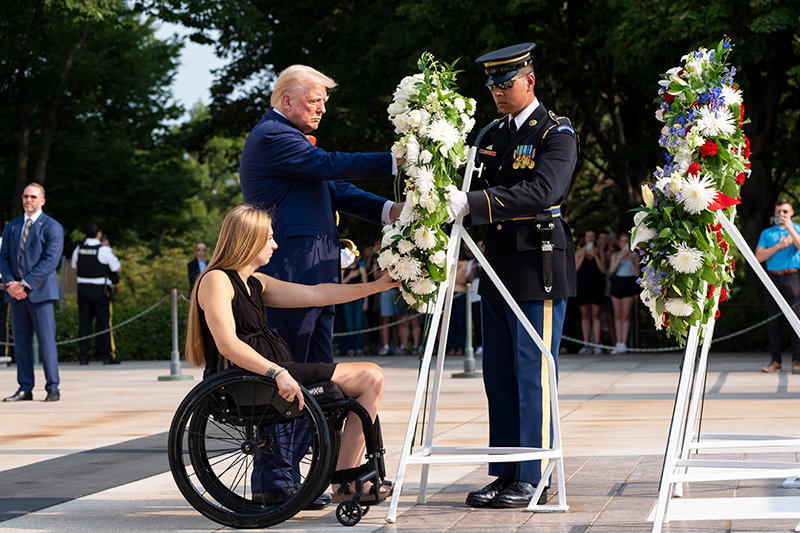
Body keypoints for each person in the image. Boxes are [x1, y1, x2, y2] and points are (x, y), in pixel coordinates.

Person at [184, 204, 397, 503]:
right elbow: (227, 344)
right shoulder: (216, 279)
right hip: (249, 380)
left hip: (271, 372)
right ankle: (345, 483)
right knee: (371, 376)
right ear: (249, 239)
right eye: (269, 237)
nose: (275, 244)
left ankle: (346, 480)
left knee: (370, 379)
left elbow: (318, 294)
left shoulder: (255, 282)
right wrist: (277, 372)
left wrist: (376, 287)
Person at [447, 43, 579, 508]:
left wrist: (477, 204)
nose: (498, 92)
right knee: (499, 374)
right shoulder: (490, 134)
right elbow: (468, 187)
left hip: (536, 263)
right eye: (492, 85)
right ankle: (507, 474)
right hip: (497, 263)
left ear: (530, 80)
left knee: (532, 371)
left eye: (506, 83)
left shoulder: (555, 133)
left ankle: (535, 476)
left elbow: (545, 189)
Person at [239, 64, 401, 367]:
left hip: (313, 269)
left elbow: (336, 190)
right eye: (315, 100)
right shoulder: (272, 136)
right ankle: (293, 418)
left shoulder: (290, 138)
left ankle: (315, 416)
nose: (323, 109)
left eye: (324, 101)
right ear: (287, 101)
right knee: (294, 363)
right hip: (292, 268)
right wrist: (395, 160)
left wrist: (390, 210)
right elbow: (329, 165)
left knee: (319, 366)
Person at [0, 183, 64, 402]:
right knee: (21, 344)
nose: (29, 200)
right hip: (15, 295)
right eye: (26, 196)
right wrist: (10, 283)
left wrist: (24, 284)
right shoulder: (12, 227)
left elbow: (50, 261)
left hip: (40, 294)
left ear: (42, 200)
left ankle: (52, 387)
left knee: (47, 343)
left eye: (33, 196)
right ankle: (25, 387)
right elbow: (4, 257)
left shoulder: (52, 227)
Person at [755, 198, 800, 373]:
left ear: (791, 213)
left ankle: (797, 360)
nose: (781, 215)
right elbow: (758, 256)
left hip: (793, 277)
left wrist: (790, 228)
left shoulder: (796, 230)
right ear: (775, 213)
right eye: (779, 211)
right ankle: (776, 361)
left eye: (785, 211)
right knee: (774, 321)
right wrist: (779, 246)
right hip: (772, 278)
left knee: (796, 320)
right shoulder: (767, 233)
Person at [70, 222, 122, 365]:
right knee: (104, 323)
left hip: (83, 289)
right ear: (99, 234)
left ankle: (83, 356)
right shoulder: (103, 250)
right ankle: (106, 356)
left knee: (84, 323)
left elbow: (75, 266)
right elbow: (117, 268)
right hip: (100, 291)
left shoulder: (78, 249)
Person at [608, 232, 640, 354]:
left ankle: (623, 342)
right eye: (622, 241)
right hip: (617, 282)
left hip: (629, 283)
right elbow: (611, 270)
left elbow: (637, 273)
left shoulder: (634, 255)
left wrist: (629, 260)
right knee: (617, 314)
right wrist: (621, 258)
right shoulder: (615, 255)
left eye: (626, 241)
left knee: (625, 315)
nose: (624, 244)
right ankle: (618, 342)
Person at [575, 230, 606, 355]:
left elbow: (603, 270)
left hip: (596, 285)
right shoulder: (579, 251)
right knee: (585, 315)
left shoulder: (599, 251)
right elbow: (575, 269)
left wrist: (596, 256)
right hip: (583, 285)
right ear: (585, 238)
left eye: (593, 236)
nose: (590, 239)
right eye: (588, 236)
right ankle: (586, 343)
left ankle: (597, 343)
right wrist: (583, 256)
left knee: (596, 315)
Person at [338, 254, 368, 356]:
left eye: (357, 256)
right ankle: (350, 348)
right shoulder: (344, 269)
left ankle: (359, 348)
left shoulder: (361, 268)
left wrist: (366, 301)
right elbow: (340, 284)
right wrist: (350, 276)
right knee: (349, 324)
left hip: (359, 299)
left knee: (358, 324)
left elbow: (365, 286)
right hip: (347, 299)